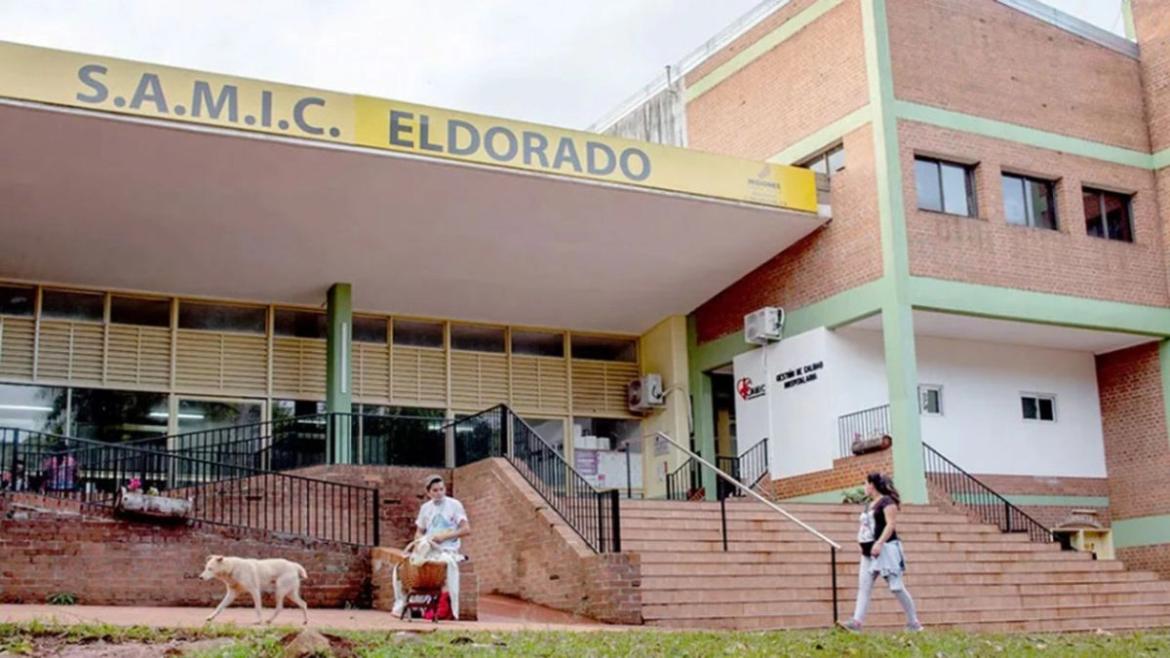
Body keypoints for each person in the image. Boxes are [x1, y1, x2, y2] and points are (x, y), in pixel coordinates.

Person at [838, 472, 923, 633]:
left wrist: (879, 543)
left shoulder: (887, 502)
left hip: (885, 550)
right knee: (864, 586)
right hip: (868, 552)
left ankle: (913, 622)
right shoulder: (868, 505)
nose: (864, 487)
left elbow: (890, 525)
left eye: (865, 483)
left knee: (896, 587)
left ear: (872, 485)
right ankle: (857, 622)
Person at [391, 474, 470, 619]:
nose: (439, 493)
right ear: (429, 492)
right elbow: (419, 531)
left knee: (444, 565)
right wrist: (422, 540)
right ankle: (402, 604)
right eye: (435, 490)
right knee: (400, 568)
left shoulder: (454, 505)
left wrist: (444, 537)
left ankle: (443, 608)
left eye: (441, 489)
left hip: (447, 548)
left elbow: (466, 530)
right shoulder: (426, 508)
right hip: (428, 547)